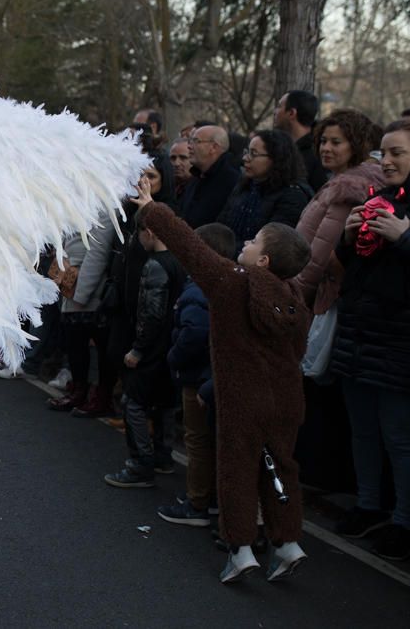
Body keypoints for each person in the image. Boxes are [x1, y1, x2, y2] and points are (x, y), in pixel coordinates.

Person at [133, 181, 312, 584]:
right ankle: (286, 542)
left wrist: (152, 208)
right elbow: (297, 351)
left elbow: (190, 248)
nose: (244, 243)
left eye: (253, 241)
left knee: (237, 470)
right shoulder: (295, 299)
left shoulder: (233, 282)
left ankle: (241, 548)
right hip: (286, 398)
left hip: (242, 397)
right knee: (281, 466)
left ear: (263, 260)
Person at [331, 119, 410, 561]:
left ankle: (405, 521)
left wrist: (408, 240)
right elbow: (355, 266)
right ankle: (368, 505)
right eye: (383, 153)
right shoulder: (378, 199)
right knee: (362, 429)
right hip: (359, 334)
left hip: (402, 341)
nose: (386, 161)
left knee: (400, 437)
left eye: (397, 152)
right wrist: (347, 241)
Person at [293, 110, 383, 492]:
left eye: (336, 142)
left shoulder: (349, 189)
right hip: (319, 296)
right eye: (323, 141)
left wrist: (292, 293)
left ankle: (324, 476)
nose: (326, 148)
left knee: (322, 392)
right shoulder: (340, 182)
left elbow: (318, 256)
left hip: (323, 299)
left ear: (356, 145)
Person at [103, 174, 185, 488]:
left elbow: (151, 313)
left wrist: (137, 349)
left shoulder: (155, 266)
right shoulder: (179, 259)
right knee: (164, 402)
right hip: (170, 347)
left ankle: (140, 464)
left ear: (148, 232)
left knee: (134, 403)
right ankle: (163, 456)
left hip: (150, 349)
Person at [157, 223, 235, 527]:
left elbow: (195, 332)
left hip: (197, 379)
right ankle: (212, 499)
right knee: (212, 440)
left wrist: (173, 357)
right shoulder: (225, 282)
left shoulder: (199, 287)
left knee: (198, 442)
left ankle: (197, 502)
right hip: (211, 376)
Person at [46, 215, 117, 415]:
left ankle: (98, 396)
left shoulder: (105, 204)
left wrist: (82, 292)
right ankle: (79, 390)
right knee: (75, 341)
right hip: (70, 277)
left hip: (88, 284)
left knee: (95, 343)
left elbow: (98, 251)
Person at [217, 130, 311, 246]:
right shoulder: (245, 185)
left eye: (254, 154)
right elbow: (221, 225)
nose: (245, 158)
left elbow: (271, 245)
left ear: (276, 159)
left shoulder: (292, 196)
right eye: (247, 152)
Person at [181, 125, 241, 228]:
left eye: (196, 141)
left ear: (214, 147)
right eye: (190, 141)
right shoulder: (196, 177)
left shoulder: (233, 182)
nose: (189, 146)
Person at [274, 90, 327, 194]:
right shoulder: (281, 149)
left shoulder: (318, 155)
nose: (275, 111)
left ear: (291, 113)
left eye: (279, 106)